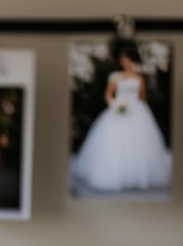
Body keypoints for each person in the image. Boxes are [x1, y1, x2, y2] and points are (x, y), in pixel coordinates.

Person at [72, 45, 172, 193]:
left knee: (138, 144)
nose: (127, 63)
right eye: (124, 60)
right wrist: (116, 105)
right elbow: (108, 95)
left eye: (129, 60)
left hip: (136, 111)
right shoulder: (115, 76)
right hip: (118, 110)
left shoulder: (139, 78)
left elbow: (142, 96)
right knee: (115, 143)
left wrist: (134, 101)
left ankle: (134, 175)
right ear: (121, 61)